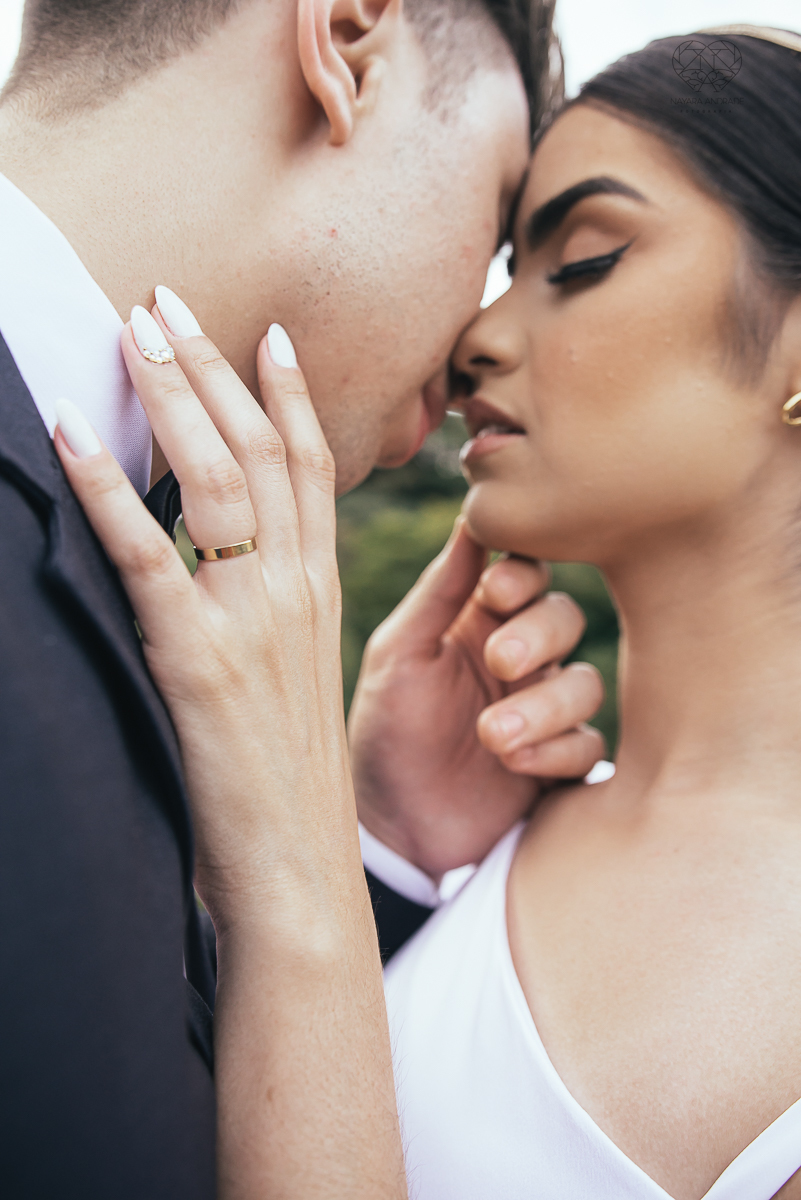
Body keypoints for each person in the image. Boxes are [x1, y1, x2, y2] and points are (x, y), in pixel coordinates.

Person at [0, 1, 605, 1195]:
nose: (485, 327)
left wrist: (365, 847)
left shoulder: (87, 544)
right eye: (497, 217)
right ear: (346, 39)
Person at [380, 25, 801, 1200]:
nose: (477, 340)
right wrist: (381, 851)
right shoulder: (457, 862)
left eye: (582, 260)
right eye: (507, 272)